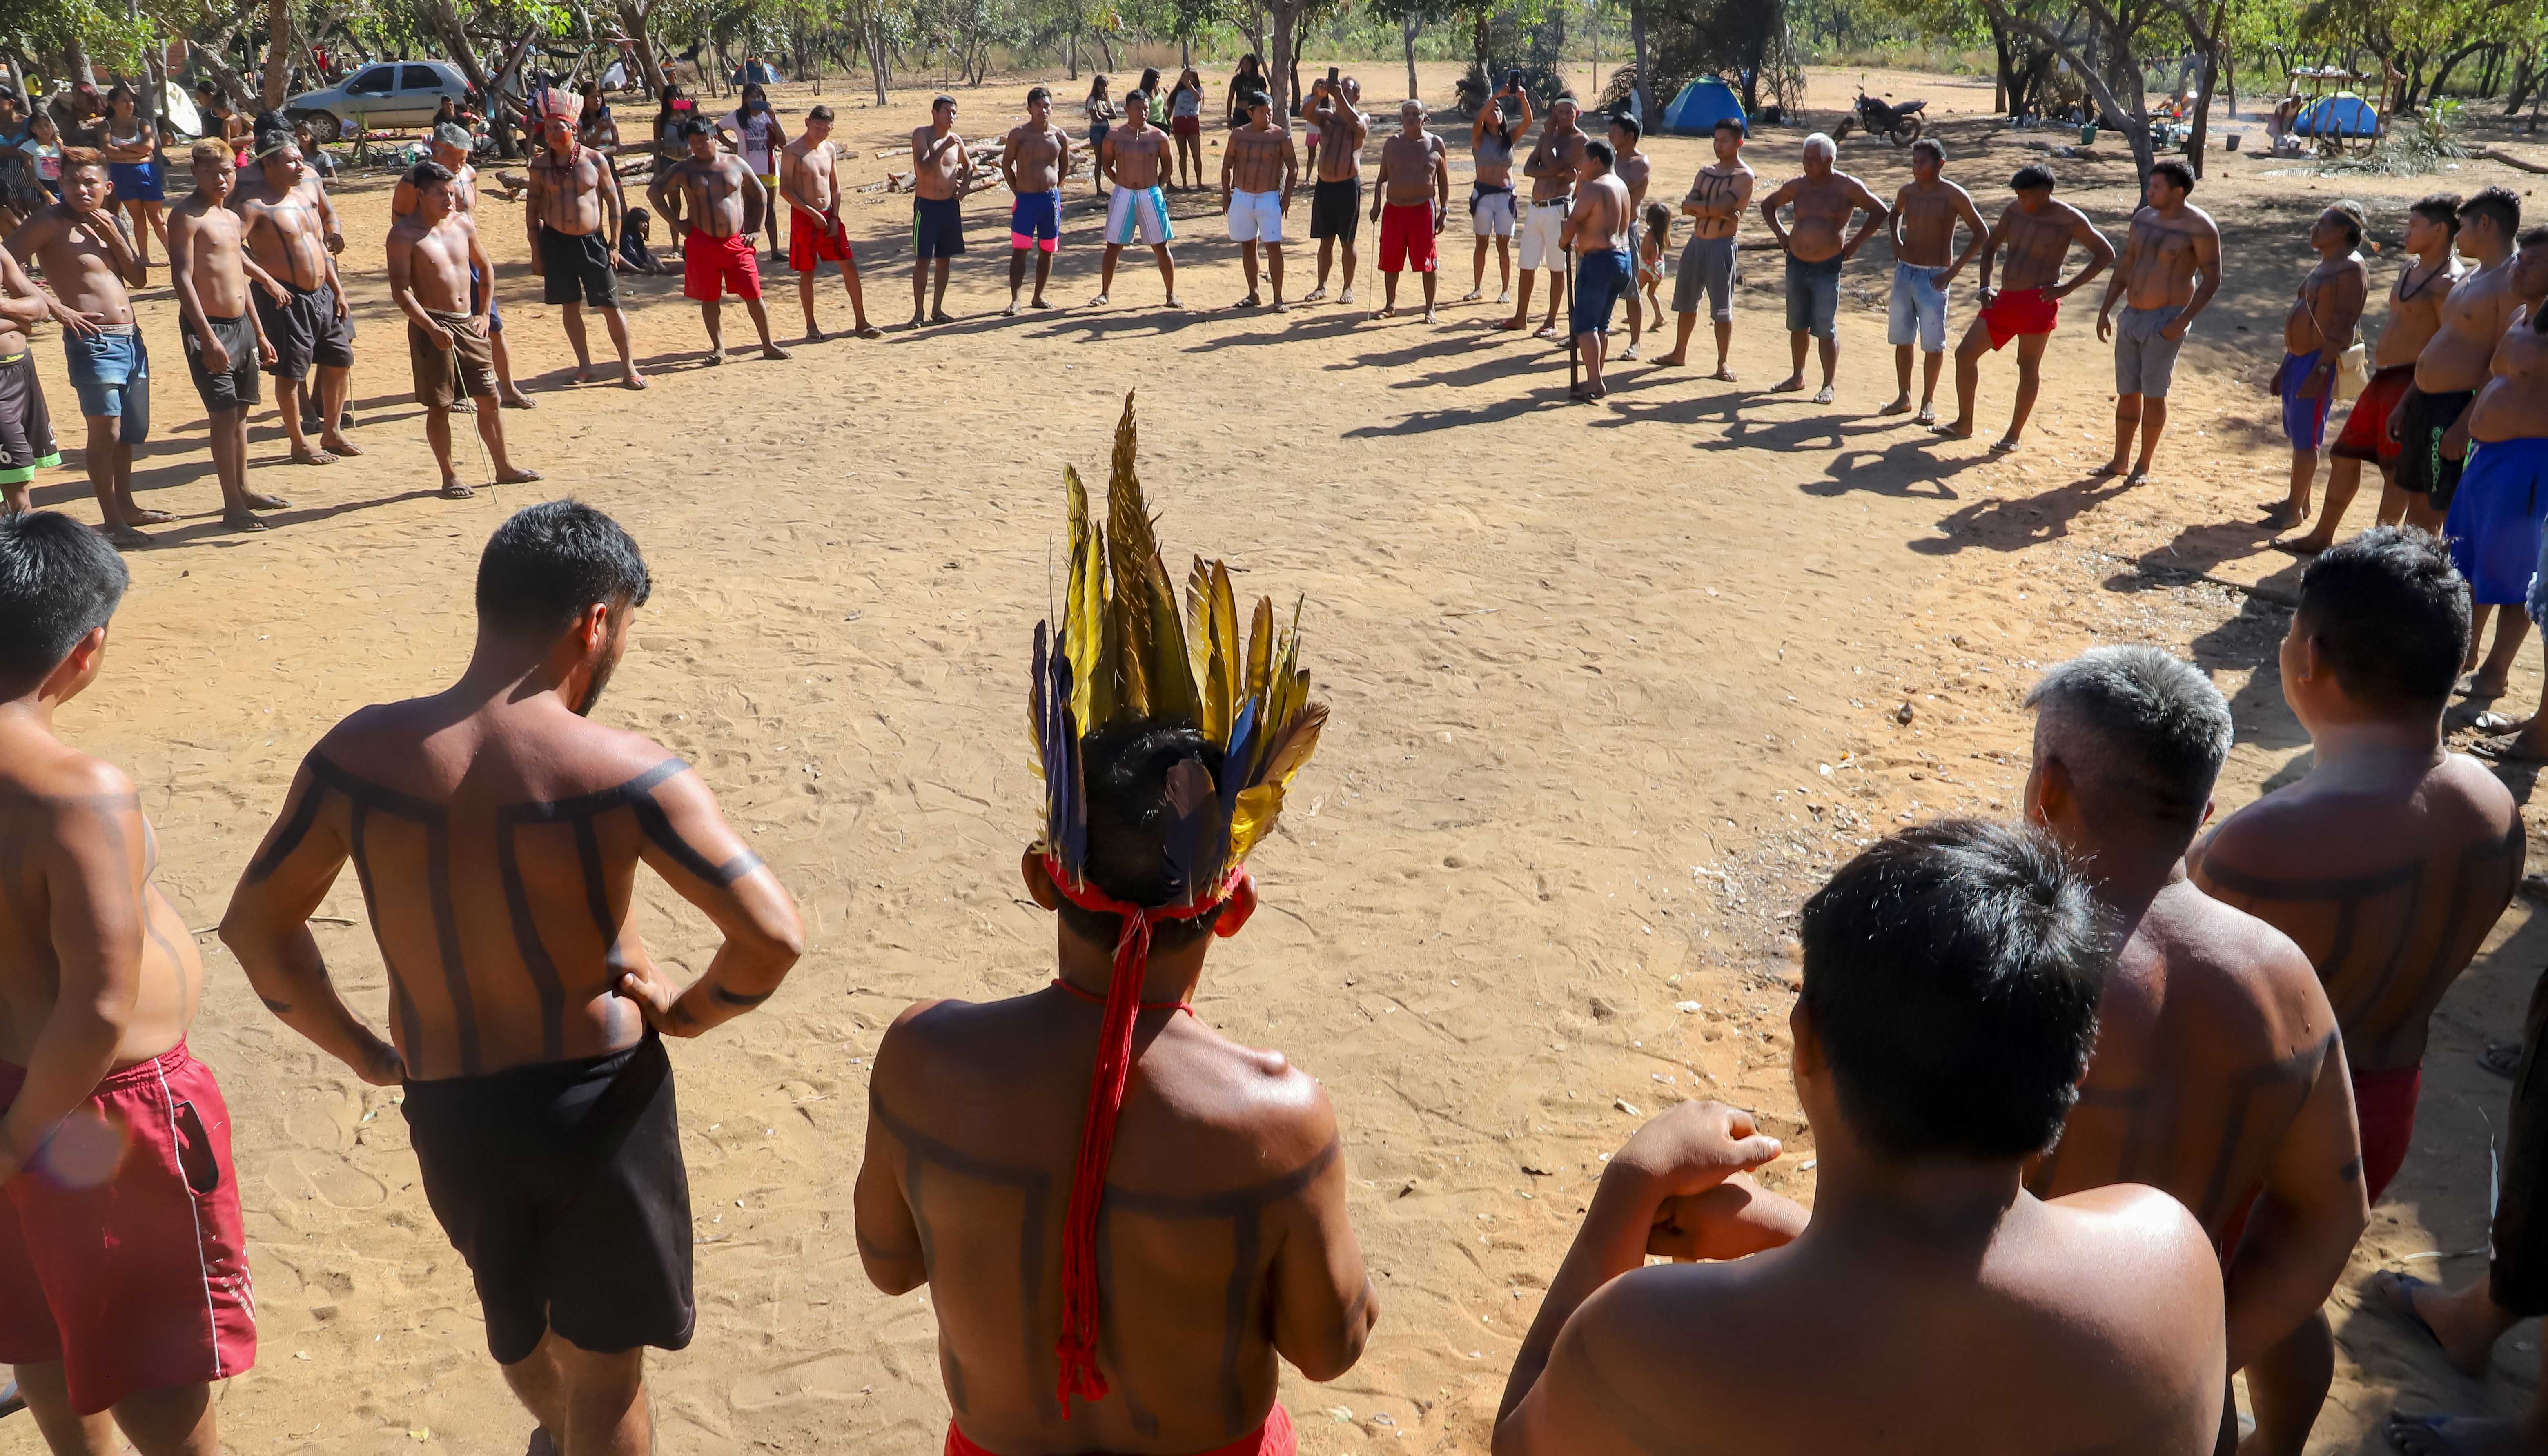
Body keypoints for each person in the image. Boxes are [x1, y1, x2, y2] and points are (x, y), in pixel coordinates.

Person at [220, 499, 805, 1456]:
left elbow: (255, 927)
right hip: (597, 1106)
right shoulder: (622, 769)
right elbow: (772, 935)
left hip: (453, 1106)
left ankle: (556, 1437)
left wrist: (364, 1049)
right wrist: (692, 1011)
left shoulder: (356, 757)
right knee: (609, 1373)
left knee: (521, 1327)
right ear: (596, 622)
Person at [854, 398, 1375, 1456]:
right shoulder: (1279, 1120)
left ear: (1043, 879)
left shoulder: (921, 1058)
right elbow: (1329, 1349)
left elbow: (891, 1264)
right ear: (1234, 906)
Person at [1494, 819, 2228, 1455]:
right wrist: (1794, 1236)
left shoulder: (1645, 1338)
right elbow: (1952, 1316)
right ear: (2076, 1067)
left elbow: (1523, 1442)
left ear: (1806, 1038)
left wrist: (1628, 1191)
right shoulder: (2172, 1259)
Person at [2190, 526, 2526, 1454]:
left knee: (2202, 1317)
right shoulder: (2495, 811)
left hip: (2266, 1120)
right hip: (2381, 1110)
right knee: (2285, 1295)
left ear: (2309, 657)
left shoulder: (2263, 842)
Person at [2019, 648, 2370, 1454]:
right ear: (2206, 809)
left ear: (2050, 789)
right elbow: (2331, 1212)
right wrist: (2198, 1362)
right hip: (2175, 1414)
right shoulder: (2282, 977)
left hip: (1989, 1393)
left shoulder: (2003, 964)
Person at [0, 510, 257, 1456]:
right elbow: (102, 1001)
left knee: (37, 1327)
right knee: (156, 1371)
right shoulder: (75, 790)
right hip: (99, 1119)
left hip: (13, 1084)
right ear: (88, 647)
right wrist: (22, 1139)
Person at [2284, 194, 2466, 556]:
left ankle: (2377, 549)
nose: (2405, 231)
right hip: (2382, 378)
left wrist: (2419, 391)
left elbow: (2448, 343)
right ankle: (2322, 535)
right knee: (2344, 455)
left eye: (2414, 225)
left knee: (2394, 471)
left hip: (2412, 382)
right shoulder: (2409, 267)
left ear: (2439, 230)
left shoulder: (2451, 282)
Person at [7, 149, 164, 545]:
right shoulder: (47, 222)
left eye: (90, 182)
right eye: (73, 182)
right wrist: (54, 307)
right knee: (106, 431)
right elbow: (7, 262)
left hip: (130, 339)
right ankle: (112, 521)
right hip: (92, 342)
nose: (82, 189)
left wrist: (115, 238)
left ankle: (127, 507)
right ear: (60, 184)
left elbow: (138, 279)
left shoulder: (110, 220)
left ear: (107, 187)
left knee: (128, 433)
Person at [2437, 229, 2548, 755]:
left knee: (2517, 575)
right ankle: (2468, 657)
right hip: (2487, 459)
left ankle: (2496, 672)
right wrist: (2466, 425)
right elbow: (2495, 381)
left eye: (2533, 264)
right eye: (2520, 259)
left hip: (2529, 466)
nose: (2519, 269)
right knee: (2468, 560)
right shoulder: (2520, 316)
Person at [388, 161, 543, 500]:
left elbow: (485, 268)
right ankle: (450, 476)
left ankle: (504, 467)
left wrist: (484, 314)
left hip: (469, 323)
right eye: (441, 194)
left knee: (490, 398)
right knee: (441, 405)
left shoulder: (462, 223)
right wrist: (431, 328)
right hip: (433, 325)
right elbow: (401, 290)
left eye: (452, 193)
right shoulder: (403, 234)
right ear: (420, 195)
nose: (450, 201)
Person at [1939, 163, 2114, 450]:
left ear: (2044, 194)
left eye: (2025, 196)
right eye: (2018, 196)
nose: (2020, 201)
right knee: (1965, 354)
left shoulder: (2068, 219)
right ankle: (1964, 423)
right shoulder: (2014, 211)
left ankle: (2013, 435)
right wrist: (1984, 286)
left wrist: (2067, 287)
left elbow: (2106, 253)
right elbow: (1991, 247)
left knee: (2028, 365)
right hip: (2005, 299)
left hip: (2039, 302)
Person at [165, 140, 290, 533]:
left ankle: (244, 489)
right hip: (209, 328)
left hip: (241, 327)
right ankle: (232, 505)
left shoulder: (232, 218)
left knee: (241, 414)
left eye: (226, 172)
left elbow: (237, 273)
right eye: (210, 172)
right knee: (222, 415)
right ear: (195, 173)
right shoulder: (186, 217)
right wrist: (207, 337)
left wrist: (260, 331)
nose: (220, 180)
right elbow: (182, 279)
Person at [2394, 187, 2526, 534]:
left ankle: (2446, 570)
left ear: (2485, 224)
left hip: (2456, 409)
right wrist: (2408, 400)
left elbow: (2502, 361)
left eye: (2463, 227)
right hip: (2427, 403)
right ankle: (2414, 566)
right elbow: (2443, 342)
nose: (2457, 236)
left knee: (2448, 511)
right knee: (2418, 501)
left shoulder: (2511, 280)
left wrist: (2465, 425)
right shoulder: (2473, 274)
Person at [231, 133, 362, 465]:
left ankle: (332, 432)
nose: (301, 166)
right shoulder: (253, 204)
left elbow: (320, 245)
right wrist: (266, 280)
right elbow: (231, 247)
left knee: (340, 361)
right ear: (269, 164)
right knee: (291, 373)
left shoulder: (304, 197)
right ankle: (299, 442)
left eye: (301, 159)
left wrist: (338, 290)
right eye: (292, 161)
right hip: (286, 300)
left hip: (323, 295)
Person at [2093, 159, 2223, 481]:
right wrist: (2106, 308)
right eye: (2150, 186)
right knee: (2127, 392)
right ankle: (2119, 461)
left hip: (2167, 319)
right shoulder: (2143, 219)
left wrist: (2182, 320)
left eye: (2156, 187)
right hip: (2132, 315)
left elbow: (2212, 280)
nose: (2149, 192)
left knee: (2154, 394)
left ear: (2178, 192)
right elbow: (2126, 264)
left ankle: (2143, 465)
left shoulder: (2200, 227)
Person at [393, 122, 537, 410]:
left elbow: (467, 217)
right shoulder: (415, 182)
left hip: (465, 256)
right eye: (456, 157)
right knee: (445, 323)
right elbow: (400, 220)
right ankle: (456, 391)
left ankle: (507, 387)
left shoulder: (469, 174)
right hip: (433, 262)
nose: (462, 163)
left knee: (490, 323)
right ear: (438, 150)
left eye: (465, 157)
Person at [1756, 134, 1886, 404]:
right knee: (1797, 324)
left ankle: (1829, 384)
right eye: (1805, 159)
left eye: (1814, 161)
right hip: (1797, 262)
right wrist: (1781, 235)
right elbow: (1768, 205)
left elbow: (1879, 211)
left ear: (1829, 161)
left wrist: (1855, 244)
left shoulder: (1847, 187)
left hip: (1827, 266)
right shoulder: (1799, 186)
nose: (1808, 165)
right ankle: (1798, 376)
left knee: (1826, 327)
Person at [647, 118, 787, 365]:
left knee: (754, 293)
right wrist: (677, 224)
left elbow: (761, 194)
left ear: (714, 138)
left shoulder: (735, 163)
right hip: (702, 243)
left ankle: (768, 345)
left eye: (704, 141)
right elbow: (654, 192)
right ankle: (719, 348)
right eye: (695, 143)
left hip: (737, 243)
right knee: (710, 298)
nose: (700, 146)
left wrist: (756, 229)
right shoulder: (684, 169)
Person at [2268, 203, 2372, 530]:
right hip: (2299, 360)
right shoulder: (2326, 263)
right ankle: (2300, 500)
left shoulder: (2352, 269)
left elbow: (2343, 326)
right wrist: (2285, 366)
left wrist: (2321, 370)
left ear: (2343, 231)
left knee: (2307, 440)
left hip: (2318, 363)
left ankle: (2293, 511)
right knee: (2298, 433)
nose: (2314, 229)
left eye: (2322, 225)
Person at [527, 105, 646, 389]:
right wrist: (536, 252)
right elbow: (532, 210)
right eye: (548, 129)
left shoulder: (594, 160)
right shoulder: (541, 165)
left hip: (593, 242)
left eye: (558, 128)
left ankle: (629, 367)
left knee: (610, 306)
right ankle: (584, 366)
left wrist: (615, 245)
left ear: (573, 130)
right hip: (556, 242)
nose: (552, 134)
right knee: (569, 306)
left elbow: (614, 203)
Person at [1880, 138, 1987, 424]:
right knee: (1903, 339)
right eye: (1914, 162)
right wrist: (1896, 240)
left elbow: (1981, 233)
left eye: (1922, 163)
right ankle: (1904, 397)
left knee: (1933, 342)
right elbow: (1894, 214)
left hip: (1935, 276)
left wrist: (1953, 272)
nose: (1916, 168)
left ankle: (1928, 400)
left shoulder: (1953, 195)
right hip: (1906, 272)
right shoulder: (1907, 192)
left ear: (1940, 164)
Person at [1657, 116, 1752, 376]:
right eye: (1716, 140)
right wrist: (1716, 211)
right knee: (1686, 301)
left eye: (1724, 141)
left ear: (1739, 143)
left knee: (1722, 307)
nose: (1718, 145)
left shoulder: (1744, 176)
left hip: (1721, 247)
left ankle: (1722, 363)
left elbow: (1719, 207)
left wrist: (1708, 209)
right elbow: (1688, 206)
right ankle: (1679, 353)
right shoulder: (1705, 172)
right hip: (1696, 244)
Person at [780, 105, 878, 340]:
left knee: (849, 265)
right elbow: (785, 190)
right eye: (817, 127)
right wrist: (811, 213)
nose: (821, 133)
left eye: (826, 129)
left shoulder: (830, 149)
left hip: (829, 215)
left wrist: (834, 216)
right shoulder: (792, 151)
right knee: (807, 272)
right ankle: (811, 326)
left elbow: (835, 185)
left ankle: (862, 321)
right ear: (807, 123)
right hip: (804, 217)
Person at [1560, 138, 1635, 402]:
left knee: (1584, 325)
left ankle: (1595, 381)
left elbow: (1574, 221)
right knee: (1601, 324)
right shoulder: (1622, 186)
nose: (1580, 164)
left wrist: (1563, 240)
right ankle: (1597, 376)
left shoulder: (1595, 188)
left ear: (1596, 161)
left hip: (1600, 261)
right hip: (1623, 259)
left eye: (1583, 159)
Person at [1503, 94, 1583, 337]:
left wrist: (1549, 151)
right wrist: (1553, 165)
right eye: (1561, 112)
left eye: (1570, 112)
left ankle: (1551, 321)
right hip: (1536, 207)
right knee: (1527, 265)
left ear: (1577, 114)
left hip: (1559, 208)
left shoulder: (1580, 140)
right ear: (1554, 113)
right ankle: (1521, 317)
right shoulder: (1547, 136)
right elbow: (1529, 169)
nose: (1565, 116)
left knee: (1557, 267)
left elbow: (1565, 171)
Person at [1091, 92, 1177, 309]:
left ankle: (1171, 295)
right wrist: (1121, 182)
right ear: (1127, 109)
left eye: (1146, 108)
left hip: (1151, 194)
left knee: (1161, 246)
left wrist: (1156, 186)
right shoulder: (1114, 136)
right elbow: (1107, 164)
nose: (1143, 112)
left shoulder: (1159, 136)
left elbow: (1168, 167)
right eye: (1138, 108)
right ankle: (1104, 292)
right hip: (1124, 193)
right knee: (1113, 245)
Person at [0, 223, 62, 517]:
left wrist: (3, 305)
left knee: (18, 473)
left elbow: (40, 308)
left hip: (21, 371)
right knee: (17, 477)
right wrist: (20, 320)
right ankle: (22, 541)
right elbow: (31, 315)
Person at [1368, 99, 1448, 323]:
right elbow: (1382, 178)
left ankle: (1430, 308)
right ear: (1401, 119)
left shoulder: (1435, 144)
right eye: (1408, 115)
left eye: (1417, 114)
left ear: (1425, 118)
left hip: (1423, 211)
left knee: (1427, 261)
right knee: (1390, 260)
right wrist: (1377, 204)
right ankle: (1390, 305)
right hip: (1394, 210)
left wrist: (1444, 210)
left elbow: (1443, 180)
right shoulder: (1392, 144)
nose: (1412, 118)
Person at [1219, 90, 1298, 311]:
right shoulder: (1239, 135)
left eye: (1269, 111)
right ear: (1250, 113)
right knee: (1248, 245)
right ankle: (1254, 293)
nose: (1267, 116)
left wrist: (1286, 199)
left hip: (1269, 197)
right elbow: (1227, 166)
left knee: (1273, 247)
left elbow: (1293, 167)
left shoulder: (1280, 136)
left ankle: (1278, 298)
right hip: (1242, 197)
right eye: (1262, 112)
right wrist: (1226, 196)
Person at [999, 87, 1071, 316]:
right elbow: (1006, 165)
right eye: (1038, 106)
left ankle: (1038, 296)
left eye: (1047, 106)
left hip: (1050, 201)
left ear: (1053, 107)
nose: (1043, 110)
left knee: (1047, 250)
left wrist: (1054, 185)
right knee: (1020, 250)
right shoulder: (1019, 135)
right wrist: (1017, 190)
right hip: (1026, 201)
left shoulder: (1059, 136)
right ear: (1029, 108)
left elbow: (1065, 166)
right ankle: (1015, 299)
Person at [1304, 76, 1368, 307]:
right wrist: (1318, 95)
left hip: (1347, 187)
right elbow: (1306, 113)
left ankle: (1347, 287)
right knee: (1325, 241)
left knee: (1347, 241)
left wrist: (1339, 96)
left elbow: (1359, 127)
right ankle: (1321, 286)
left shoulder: (1362, 118)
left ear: (1357, 96)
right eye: (1339, 88)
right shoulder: (1326, 117)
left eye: (1347, 90)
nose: (1340, 92)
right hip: (1325, 187)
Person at [1465, 79, 1530, 304]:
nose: (1496, 113)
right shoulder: (1479, 137)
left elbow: (1528, 122)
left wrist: (1522, 98)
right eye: (1492, 111)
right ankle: (1477, 288)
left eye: (1499, 110)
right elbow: (1478, 120)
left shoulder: (1508, 139)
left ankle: (1505, 290)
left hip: (1505, 196)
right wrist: (1496, 97)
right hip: (1483, 196)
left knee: (1504, 244)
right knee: (1481, 243)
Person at [909, 95, 971, 327]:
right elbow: (924, 167)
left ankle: (937, 309)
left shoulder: (957, 140)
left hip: (949, 206)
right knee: (923, 260)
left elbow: (969, 166)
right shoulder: (922, 135)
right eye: (947, 111)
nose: (951, 116)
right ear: (935, 113)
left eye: (954, 112)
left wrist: (965, 187)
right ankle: (918, 313)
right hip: (927, 206)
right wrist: (944, 145)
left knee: (944, 259)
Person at [716, 82, 785, 260]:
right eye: (752, 97)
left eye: (759, 96)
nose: (756, 100)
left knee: (770, 209)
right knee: (750, 209)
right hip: (746, 170)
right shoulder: (737, 117)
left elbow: (783, 141)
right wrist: (732, 145)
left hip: (769, 169)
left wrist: (774, 118)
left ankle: (775, 251)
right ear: (745, 99)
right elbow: (717, 130)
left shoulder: (769, 116)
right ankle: (747, 251)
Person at [98, 85, 165, 271]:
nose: (130, 104)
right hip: (122, 174)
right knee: (138, 217)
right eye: (124, 101)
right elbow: (108, 150)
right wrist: (138, 153)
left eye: (131, 101)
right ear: (112, 104)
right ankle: (144, 257)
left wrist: (124, 149)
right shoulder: (106, 126)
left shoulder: (142, 123)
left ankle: (175, 254)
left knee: (157, 217)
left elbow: (149, 146)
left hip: (147, 172)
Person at [1605, 112, 1653, 358]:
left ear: (1629, 136)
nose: (1610, 134)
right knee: (1592, 284)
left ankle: (1635, 342)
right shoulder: (1609, 158)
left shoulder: (1640, 163)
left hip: (1626, 230)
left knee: (1632, 288)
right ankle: (1583, 335)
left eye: (1615, 130)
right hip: (1600, 228)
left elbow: (1619, 189)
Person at [1167, 67, 1204, 191]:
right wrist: (1168, 123)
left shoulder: (1199, 89)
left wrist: (1190, 87)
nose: (1187, 79)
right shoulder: (1177, 91)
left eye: (1190, 76)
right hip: (1179, 121)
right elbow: (1170, 108)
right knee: (1183, 154)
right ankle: (1184, 183)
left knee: (1196, 154)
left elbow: (1198, 98)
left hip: (1192, 121)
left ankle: (1199, 183)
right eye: (1185, 76)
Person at [1635, 202, 1669, 336]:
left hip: (1649, 266)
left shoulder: (1650, 235)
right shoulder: (1663, 234)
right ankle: (1659, 316)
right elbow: (1667, 245)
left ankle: (1634, 317)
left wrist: (1653, 264)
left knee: (1636, 292)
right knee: (1651, 294)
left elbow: (1654, 248)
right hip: (1660, 266)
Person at [1083, 76, 1116, 202]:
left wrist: (1103, 114)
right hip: (1097, 130)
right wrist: (1107, 115)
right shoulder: (1092, 100)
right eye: (1102, 86)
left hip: (1106, 129)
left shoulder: (1107, 98)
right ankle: (1099, 189)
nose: (1105, 88)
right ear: (1097, 86)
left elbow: (1115, 115)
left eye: (1106, 86)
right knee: (1099, 160)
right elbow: (1095, 118)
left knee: (1109, 158)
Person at [1225, 54, 1265, 127]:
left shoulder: (1260, 80)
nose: (1245, 66)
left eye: (1247, 63)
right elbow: (1230, 99)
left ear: (1253, 65)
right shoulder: (1237, 80)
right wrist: (1229, 118)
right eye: (1243, 63)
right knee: (1238, 134)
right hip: (1240, 114)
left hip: (1254, 114)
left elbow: (1265, 100)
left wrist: (1264, 116)